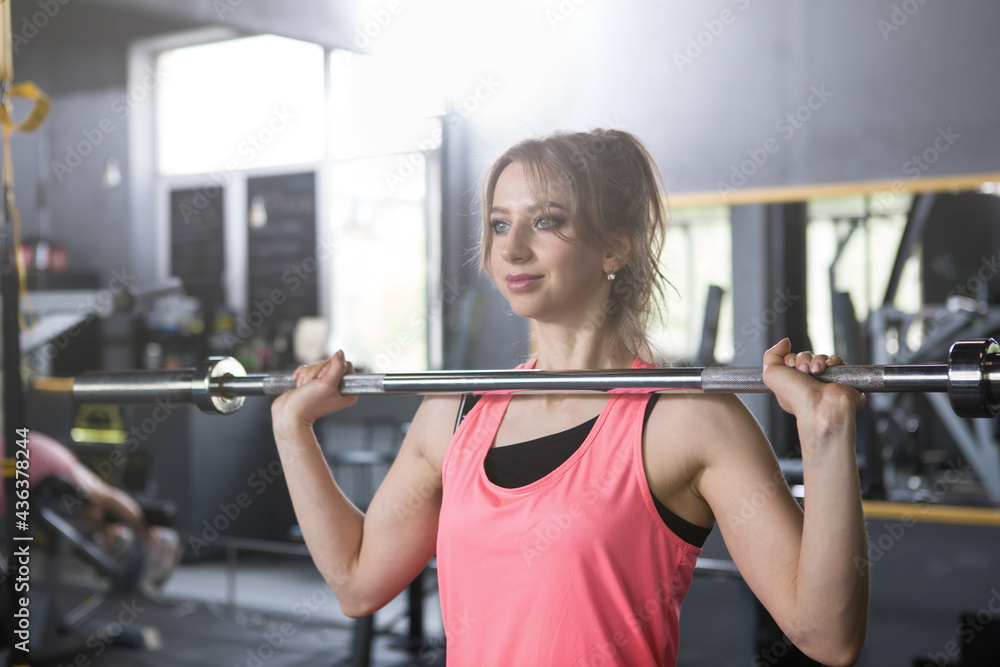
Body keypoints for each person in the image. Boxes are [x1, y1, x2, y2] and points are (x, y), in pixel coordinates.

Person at [271, 129, 869, 666]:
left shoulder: (689, 421)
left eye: (546, 221)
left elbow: (828, 637)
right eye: (500, 224)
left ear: (614, 248)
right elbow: (357, 582)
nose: (512, 248)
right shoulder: (452, 415)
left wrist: (826, 435)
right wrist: (291, 428)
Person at [2, 431, 181, 592]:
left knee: (99, 495)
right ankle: (114, 538)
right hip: (29, 458)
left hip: (38, 455)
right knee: (88, 507)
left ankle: (156, 539)